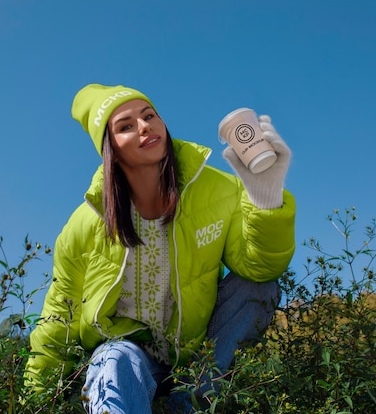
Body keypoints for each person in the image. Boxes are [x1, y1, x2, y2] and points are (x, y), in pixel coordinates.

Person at [24, 83, 295, 413]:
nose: (144, 126)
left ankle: (191, 402)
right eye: (125, 126)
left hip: (200, 355)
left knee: (258, 285)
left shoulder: (218, 189)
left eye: (149, 115)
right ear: (111, 149)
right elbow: (59, 317)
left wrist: (266, 200)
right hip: (128, 358)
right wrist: (35, 401)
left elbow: (260, 270)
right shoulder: (85, 223)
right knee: (114, 359)